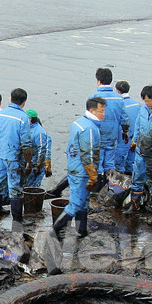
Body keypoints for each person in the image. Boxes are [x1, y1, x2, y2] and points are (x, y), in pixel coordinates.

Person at [53, 98, 103, 239]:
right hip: (82, 172)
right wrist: (93, 176)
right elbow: (87, 155)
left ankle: (82, 230)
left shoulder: (78, 123)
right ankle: (56, 229)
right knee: (75, 204)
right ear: (92, 110)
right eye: (101, 111)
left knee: (83, 203)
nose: (103, 114)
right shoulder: (90, 129)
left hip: (74, 168)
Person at [0, 88, 33, 222]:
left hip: (1, 155)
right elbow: (26, 144)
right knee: (15, 187)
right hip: (14, 157)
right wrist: (29, 162)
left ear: (10, 99)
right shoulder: (23, 118)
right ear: (24, 102)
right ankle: (17, 219)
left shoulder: (1, 114)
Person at [26, 110, 52, 188]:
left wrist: (38, 165)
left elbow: (43, 149)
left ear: (30, 119)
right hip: (28, 163)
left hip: (35, 166)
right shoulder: (27, 129)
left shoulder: (39, 132)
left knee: (33, 187)